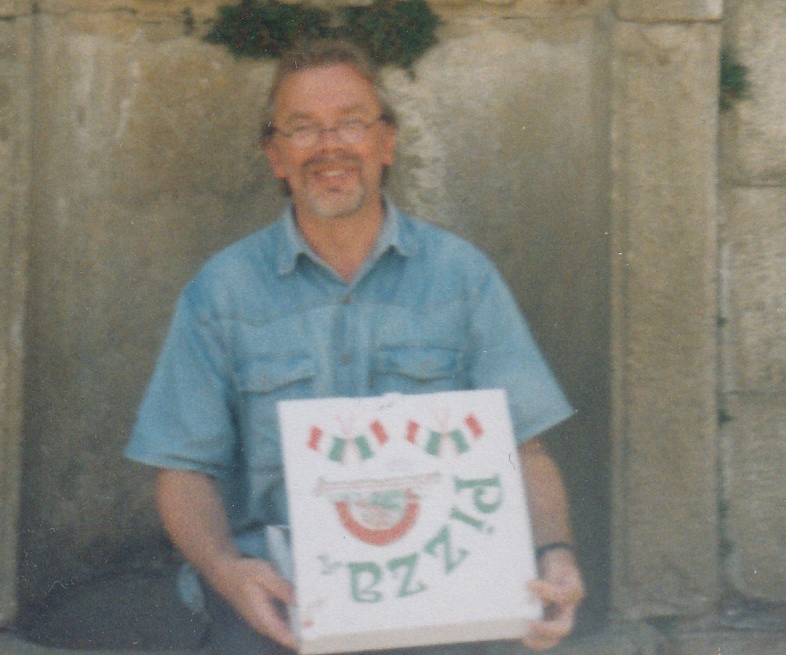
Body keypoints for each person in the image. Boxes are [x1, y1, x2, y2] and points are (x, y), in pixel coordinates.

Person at [126, 36, 587, 654]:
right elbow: (183, 471)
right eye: (302, 128)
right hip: (280, 602)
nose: (329, 146)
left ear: (386, 143)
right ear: (275, 155)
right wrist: (228, 573)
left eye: (351, 123)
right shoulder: (221, 291)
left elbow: (526, 448)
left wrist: (554, 553)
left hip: (441, 596)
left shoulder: (463, 279)